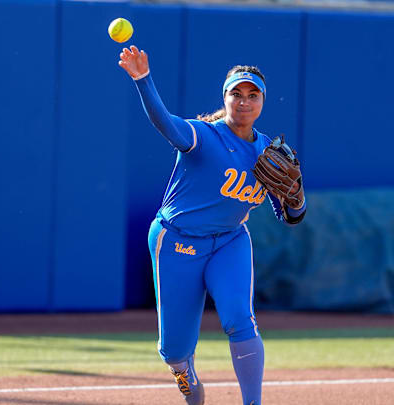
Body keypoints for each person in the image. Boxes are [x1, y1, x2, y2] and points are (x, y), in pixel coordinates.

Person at [118, 45, 306, 405]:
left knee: (239, 318)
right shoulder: (204, 136)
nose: (244, 101)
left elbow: (291, 216)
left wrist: (296, 199)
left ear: (262, 102)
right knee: (173, 349)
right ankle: (183, 371)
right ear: (225, 98)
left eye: (253, 94)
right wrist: (143, 80)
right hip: (177, 242)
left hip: (229, 241)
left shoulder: (268, 152)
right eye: (237, 93)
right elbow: (167, 125)